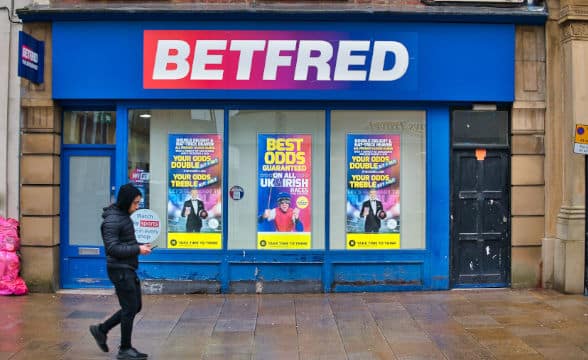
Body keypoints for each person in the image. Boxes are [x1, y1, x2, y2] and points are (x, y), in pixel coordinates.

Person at [89, 183, 153, 360]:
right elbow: (113, 248)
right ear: (126, 202)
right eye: (135, 203)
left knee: (134, 306)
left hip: (127, 268)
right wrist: (138, 250)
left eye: (139, 203)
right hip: (119, 270)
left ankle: (101, 329)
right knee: (130, 307)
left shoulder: (123, 215)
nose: (137, 206)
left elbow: (123, 241)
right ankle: (125, 349)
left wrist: (139, 246)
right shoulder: (112, 220)